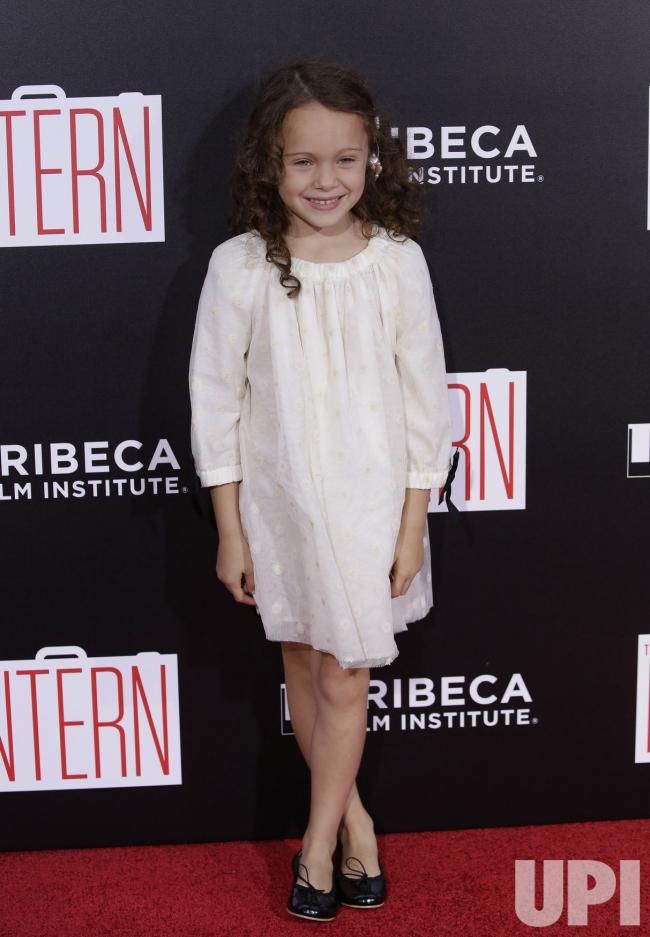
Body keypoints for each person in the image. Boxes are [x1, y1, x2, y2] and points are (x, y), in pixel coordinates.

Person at [188, 59, 454, 922]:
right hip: (280, 508)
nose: (325, 180)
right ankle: (357, 821)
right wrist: (231, 529)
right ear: (269, 162)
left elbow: (427, 406)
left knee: (345, 675)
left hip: (372, 510)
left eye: (344, 159)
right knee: (303, 664)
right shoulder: (239, 266)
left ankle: (316, 845)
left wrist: (412, 526)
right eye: (303, 161)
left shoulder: (397, 263)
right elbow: (215, 405)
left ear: (372, 157)